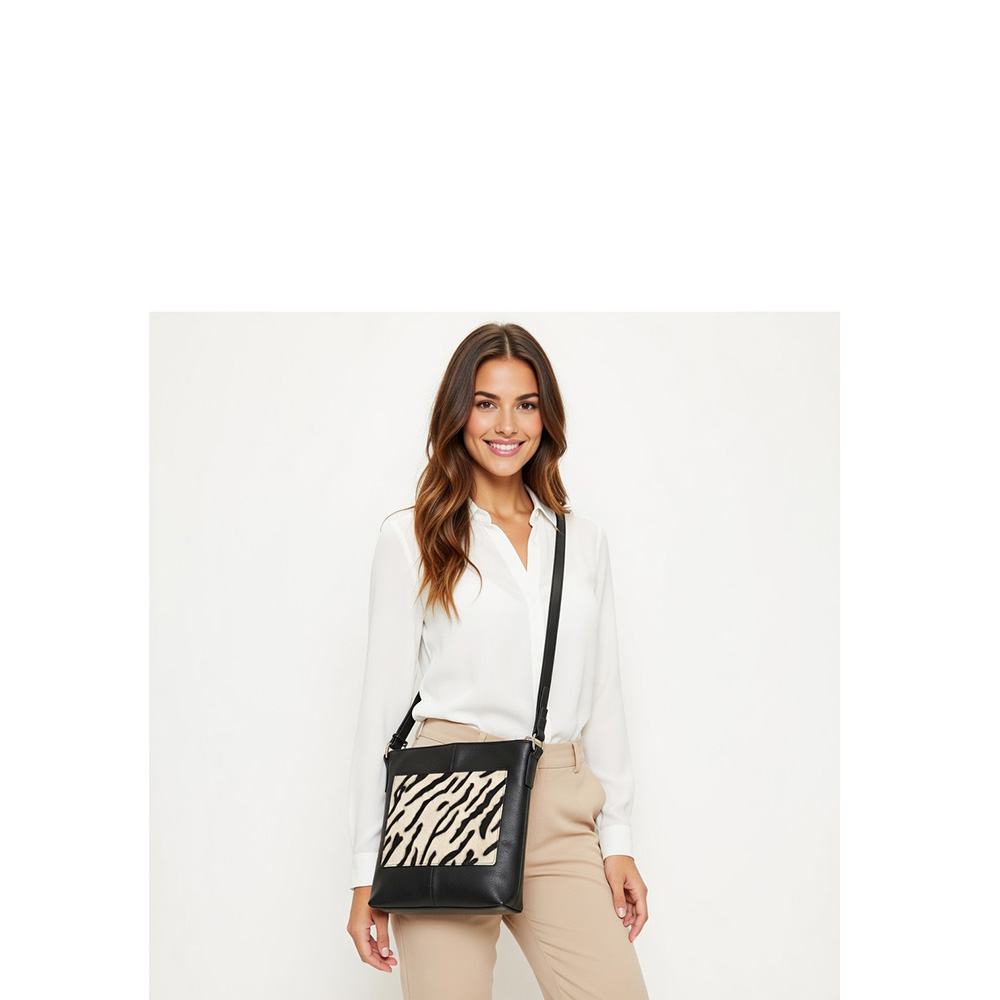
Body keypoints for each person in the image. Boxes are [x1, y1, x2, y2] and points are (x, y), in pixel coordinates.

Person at [345, 323, 650, 1000]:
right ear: (459, 414)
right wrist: (367, 869)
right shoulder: (412, 537)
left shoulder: (582, 541)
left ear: (547, 417)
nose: (506, 424)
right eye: (486, 403)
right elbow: (380, 712)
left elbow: (603, 694)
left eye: (526, 404)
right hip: (446, 801)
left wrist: (619, 837)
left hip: (561, 804)